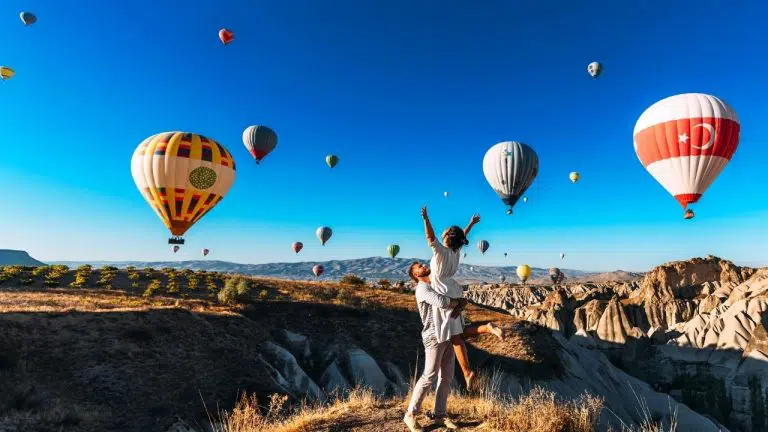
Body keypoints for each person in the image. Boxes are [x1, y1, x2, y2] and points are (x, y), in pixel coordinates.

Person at [421, 206, 504, 390]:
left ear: (447, 237)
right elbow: (462, 235)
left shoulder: (441, 252)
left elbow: (429, 237)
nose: (441, 233)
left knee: (455, 336)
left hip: (443, 292)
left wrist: (426, 219)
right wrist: (471, 224)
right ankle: (486, 328)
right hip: (453, 290)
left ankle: (467, 372)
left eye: (444, 232)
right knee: (458, 333)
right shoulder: (455, 252)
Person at [404, 261, 463, 432]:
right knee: (429, 376)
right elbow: (442, 302)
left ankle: (440, 414)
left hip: (447, 334)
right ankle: (410, 415)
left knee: (446, 377)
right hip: (433, 337)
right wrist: (458, 302)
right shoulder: (422, 289)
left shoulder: (436, 285)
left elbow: (453, 297)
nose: (423, 266)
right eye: (419, 267)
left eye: (422, 264)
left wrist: (458, 301)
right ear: (416, 275)